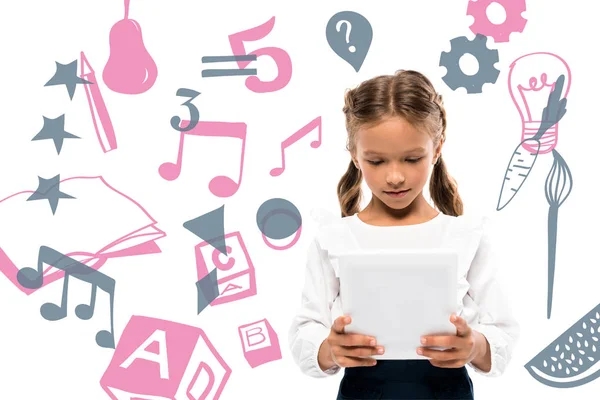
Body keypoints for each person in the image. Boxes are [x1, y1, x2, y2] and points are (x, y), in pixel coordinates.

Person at [288, 69, 520, 399]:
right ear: (355, 154)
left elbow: (502, 332)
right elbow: (305, 328)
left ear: (437, 149)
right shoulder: (334, 239)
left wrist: (474, 346)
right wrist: (329, 349)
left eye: (412, 159)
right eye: (376, 161)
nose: (395, 177)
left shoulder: (465, 237)